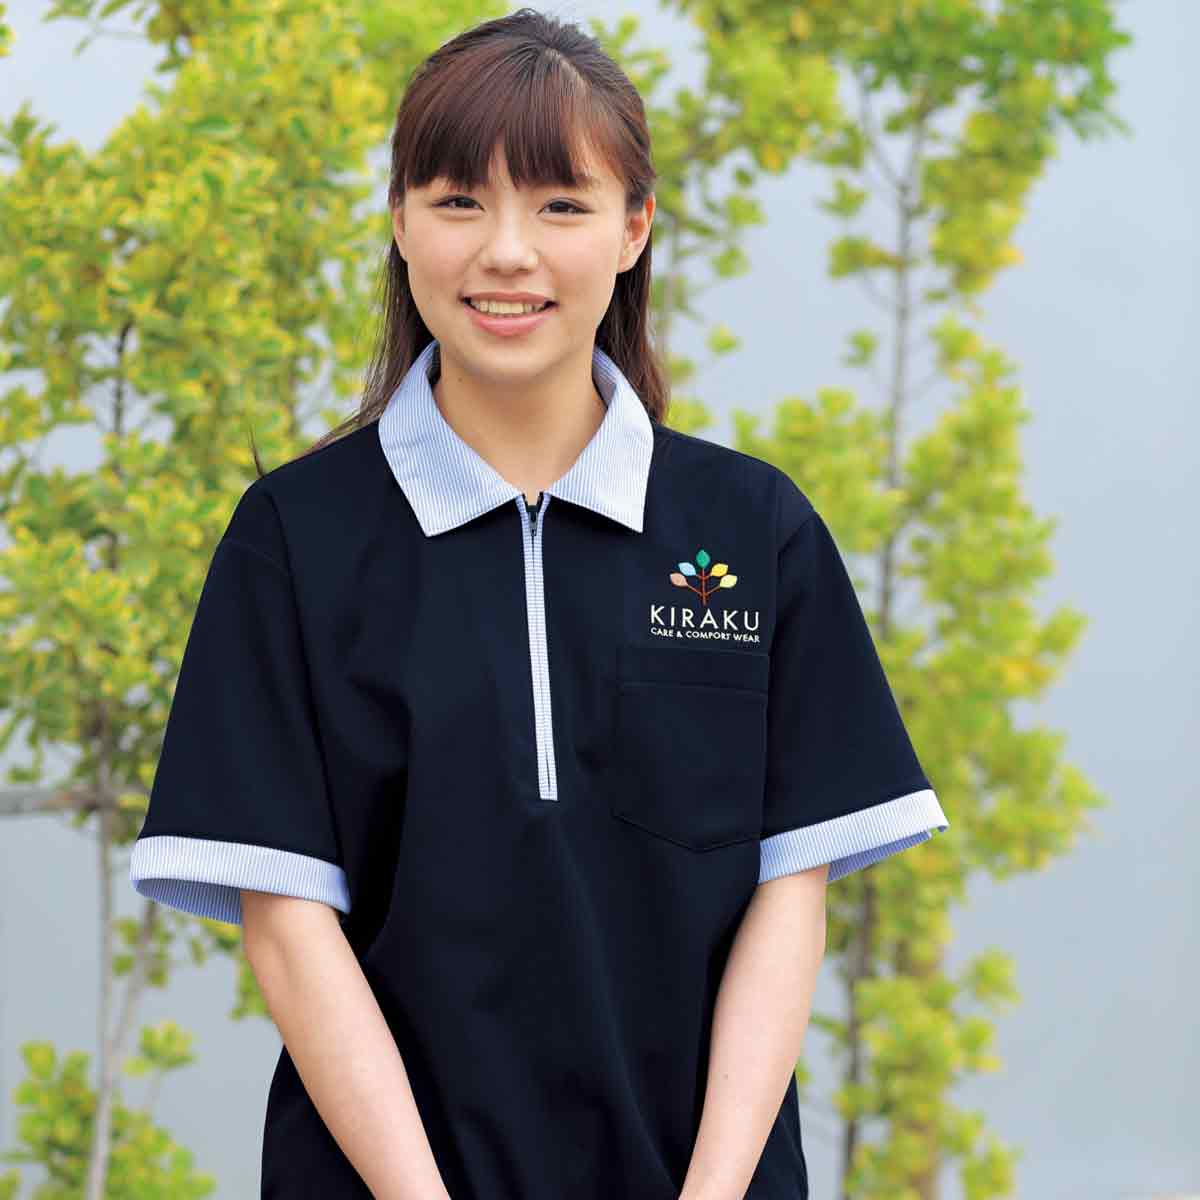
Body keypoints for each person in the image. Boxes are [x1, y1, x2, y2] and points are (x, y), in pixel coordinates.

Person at [129, 8, 949, 1198]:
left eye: (562, 205)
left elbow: (789, 893)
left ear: (634, 227)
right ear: (399, 219)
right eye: (459, 201)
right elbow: (289, 926)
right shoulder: (295, 541)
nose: (506, 252)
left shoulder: (749, 530)